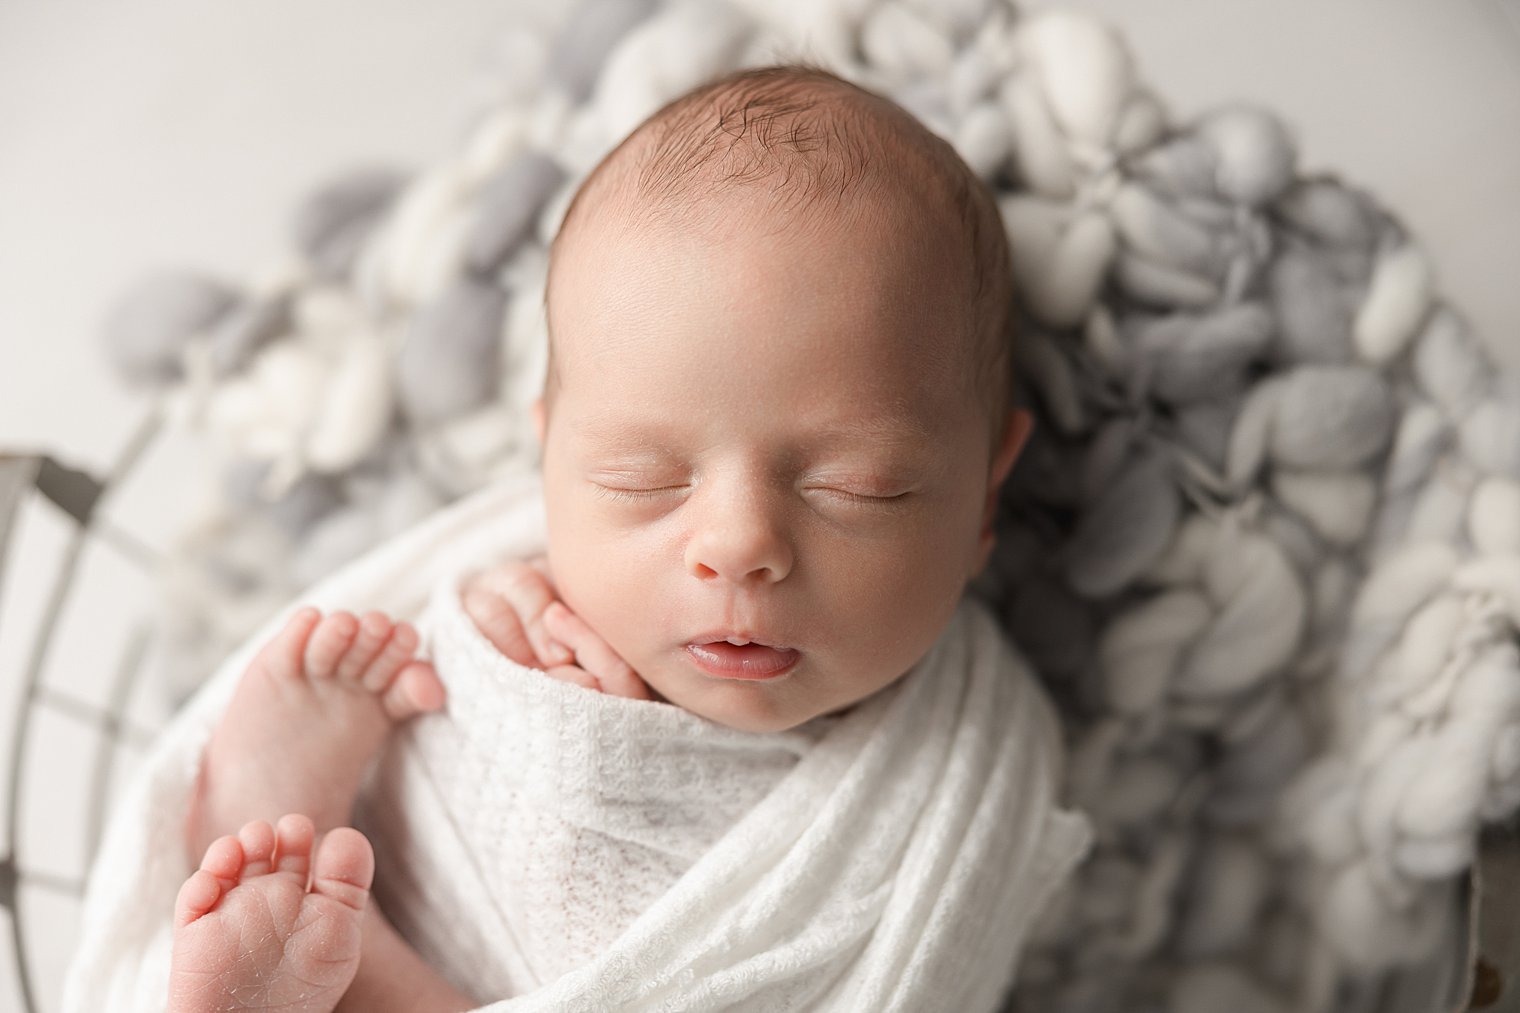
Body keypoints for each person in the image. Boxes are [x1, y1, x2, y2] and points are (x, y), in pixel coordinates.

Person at [163, 63, 1065, 1013]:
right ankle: (269, 839)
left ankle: (332, 952)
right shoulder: (515, 634)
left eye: (858, 486)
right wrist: (538, 698)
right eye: (643, 480)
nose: (739, 544)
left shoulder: (984, 760)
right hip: (416, 895)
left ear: (986, 496)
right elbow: (464, 730)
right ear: (549, 461)